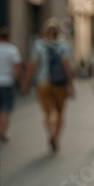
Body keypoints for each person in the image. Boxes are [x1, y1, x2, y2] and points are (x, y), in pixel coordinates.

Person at [21, 18, 75, 153]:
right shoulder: (64, 46)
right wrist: (72, 85)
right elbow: (67, 66)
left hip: (43, 83)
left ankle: (50, 133)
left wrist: (25, 83)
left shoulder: (39, 45)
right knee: (59, 113)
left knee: (47, 113)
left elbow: (32, 65)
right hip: (60, 84)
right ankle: (56, 138)